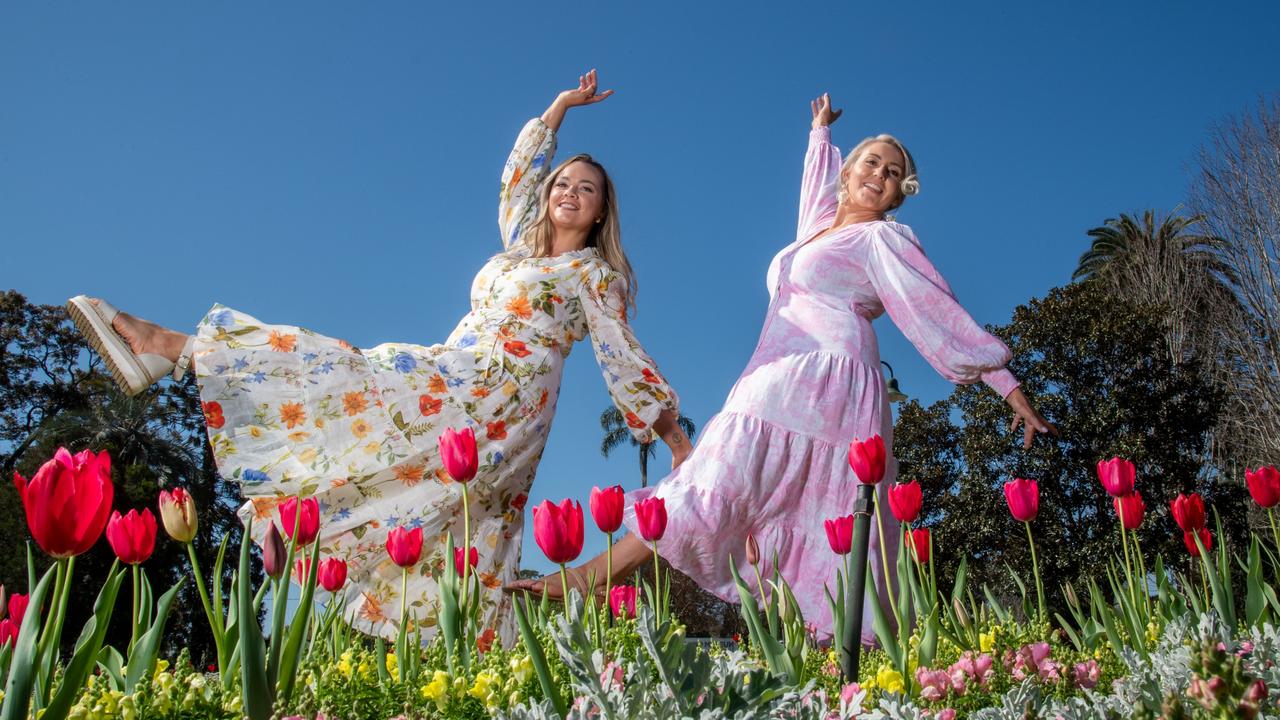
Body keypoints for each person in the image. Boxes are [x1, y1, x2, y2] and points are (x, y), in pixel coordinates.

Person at [66, 70, 692, 646]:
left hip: (509, 395)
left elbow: (620, 352)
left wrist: (671, 435)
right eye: (564, 183)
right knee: (400, 453)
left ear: (602, 209)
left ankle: (169, 347)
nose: (570, 193)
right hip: (463, 364)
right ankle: (438, 647)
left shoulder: (589, 274)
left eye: (588, 190)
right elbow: (516, 183)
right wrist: (558, 109)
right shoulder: (516, 253)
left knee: (379, 392)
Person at [509, 93, 1056, 641]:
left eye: (893, 174)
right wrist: (819, 132)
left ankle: (597, 578)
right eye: (870, 163)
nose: (880, 175)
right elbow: (814, 194)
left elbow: (937, 308)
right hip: (776, 372)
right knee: (724, 484)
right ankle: (802, 654)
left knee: (797, 505)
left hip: (831, 377)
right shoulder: (820, 228)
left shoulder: (881, 238)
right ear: (847, 173)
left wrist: (1004, 383)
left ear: (897, 195)